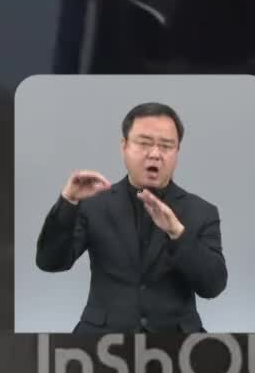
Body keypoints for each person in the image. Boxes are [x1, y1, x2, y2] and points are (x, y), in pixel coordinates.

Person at [34, 102, 227, 334]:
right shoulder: (95, 205)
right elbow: (50, 262)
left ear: (177, 152)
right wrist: (69, 202)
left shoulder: (202, 211)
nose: (155, 154)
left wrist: (178, 233)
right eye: (144, 143)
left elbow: (213, 286)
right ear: (124, 146)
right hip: (102, 341)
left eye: (166, 146)